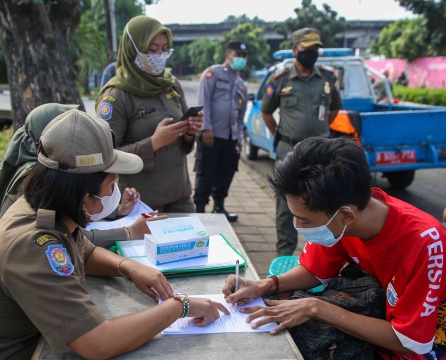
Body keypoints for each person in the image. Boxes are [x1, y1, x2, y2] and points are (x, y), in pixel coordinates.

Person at [0, 109, 229, 360]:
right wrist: (180, 307)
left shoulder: (45, 204)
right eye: (110, 184)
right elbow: (98, 343)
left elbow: (82, 250)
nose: (113, 192)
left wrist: (128, 266)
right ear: (84, 197)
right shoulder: (32, 243)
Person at [222, 137, 446, 360]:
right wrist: (264, 285)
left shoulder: (425, 242)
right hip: (381, 316)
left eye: (306, 221)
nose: (297, 226)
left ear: (347, 216)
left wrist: (315, 308)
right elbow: (314, 270)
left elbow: (410, 340)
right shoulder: (341, 217)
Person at [0, 103, 162, 249]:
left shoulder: (53, 170)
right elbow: (66, 239)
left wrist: (117, 210)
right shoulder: (42, 181)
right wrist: (129, 232)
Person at [96, 15, 203, 213]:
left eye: (165, 49)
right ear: (132, 48)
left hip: (180, 195)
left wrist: (189, 132)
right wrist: (153, 143)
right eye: (152, 49)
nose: (159, 56)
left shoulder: (171, 84)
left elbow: (183, 147)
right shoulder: (116, 96)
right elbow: (105, 157)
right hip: (139, 202)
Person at [261, 27, 343, 256]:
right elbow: (266, 112)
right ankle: (285, 254)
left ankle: (322, 254)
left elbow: (334, 109)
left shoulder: (328, 77)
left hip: (320, 152)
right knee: (287, 204)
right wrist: (282, 134)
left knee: (323, 201)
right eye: (307, 48)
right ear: (295, 49)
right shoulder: (280, 79)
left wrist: (320, 131)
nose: (312, 53)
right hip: (290, 149)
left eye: (315, 48)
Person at [192, 41, 248, 222]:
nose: (241, 58)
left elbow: (240, 116)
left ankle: (219, 207)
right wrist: (206, 128)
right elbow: (204, 102)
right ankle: (200, 210)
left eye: (244, 56)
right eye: (237, 54)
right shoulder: (212, 74)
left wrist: (239, 137)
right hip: (211, 135)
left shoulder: (241, 84)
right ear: (227, 55)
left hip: (231, 138)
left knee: (226, 173)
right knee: (205, 172)